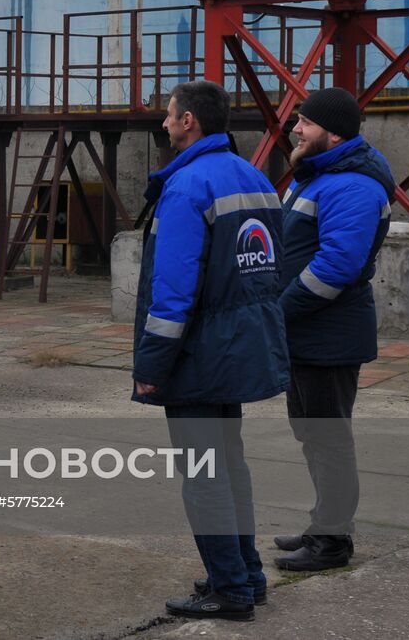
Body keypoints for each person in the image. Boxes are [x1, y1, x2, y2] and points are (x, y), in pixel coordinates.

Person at [132, 80, 289, 623]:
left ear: (189, 122)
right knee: (231, 465)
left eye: (169, 116)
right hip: (241, 347)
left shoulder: (186, 188)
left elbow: (171, 294)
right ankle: (247, 573)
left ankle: (230, 589)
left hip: (199, 357)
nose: (164, 124)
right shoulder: (255, 178)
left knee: (203, 474)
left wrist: (151, 369)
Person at [273, 87, 394, 572]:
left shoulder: (353, 185)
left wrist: (277, 314)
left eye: (304, 122)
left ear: (334, 132)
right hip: (308, 334)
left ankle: (332, 543)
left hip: (329, 334)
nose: (295, 129)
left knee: (328, 438)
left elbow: (336, 268)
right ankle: (321, 524)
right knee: (312, 433)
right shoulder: (321, 175)